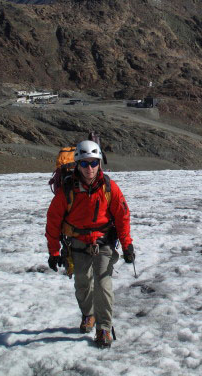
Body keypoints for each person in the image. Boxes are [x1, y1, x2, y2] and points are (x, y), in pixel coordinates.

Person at [45, 140, 135, 348]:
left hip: (103, 242)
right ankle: (89, 314)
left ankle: (103, 328)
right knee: (82, 283)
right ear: (77, 163)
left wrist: (127, 245)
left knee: (103, 285)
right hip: (77, 242)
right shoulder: (67, 191)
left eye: (93, 163)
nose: (89, 168)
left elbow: (122, 217)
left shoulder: (109, 187)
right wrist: (53, 251)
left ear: (99, 163)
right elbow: (53, 220)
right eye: (85, 163)